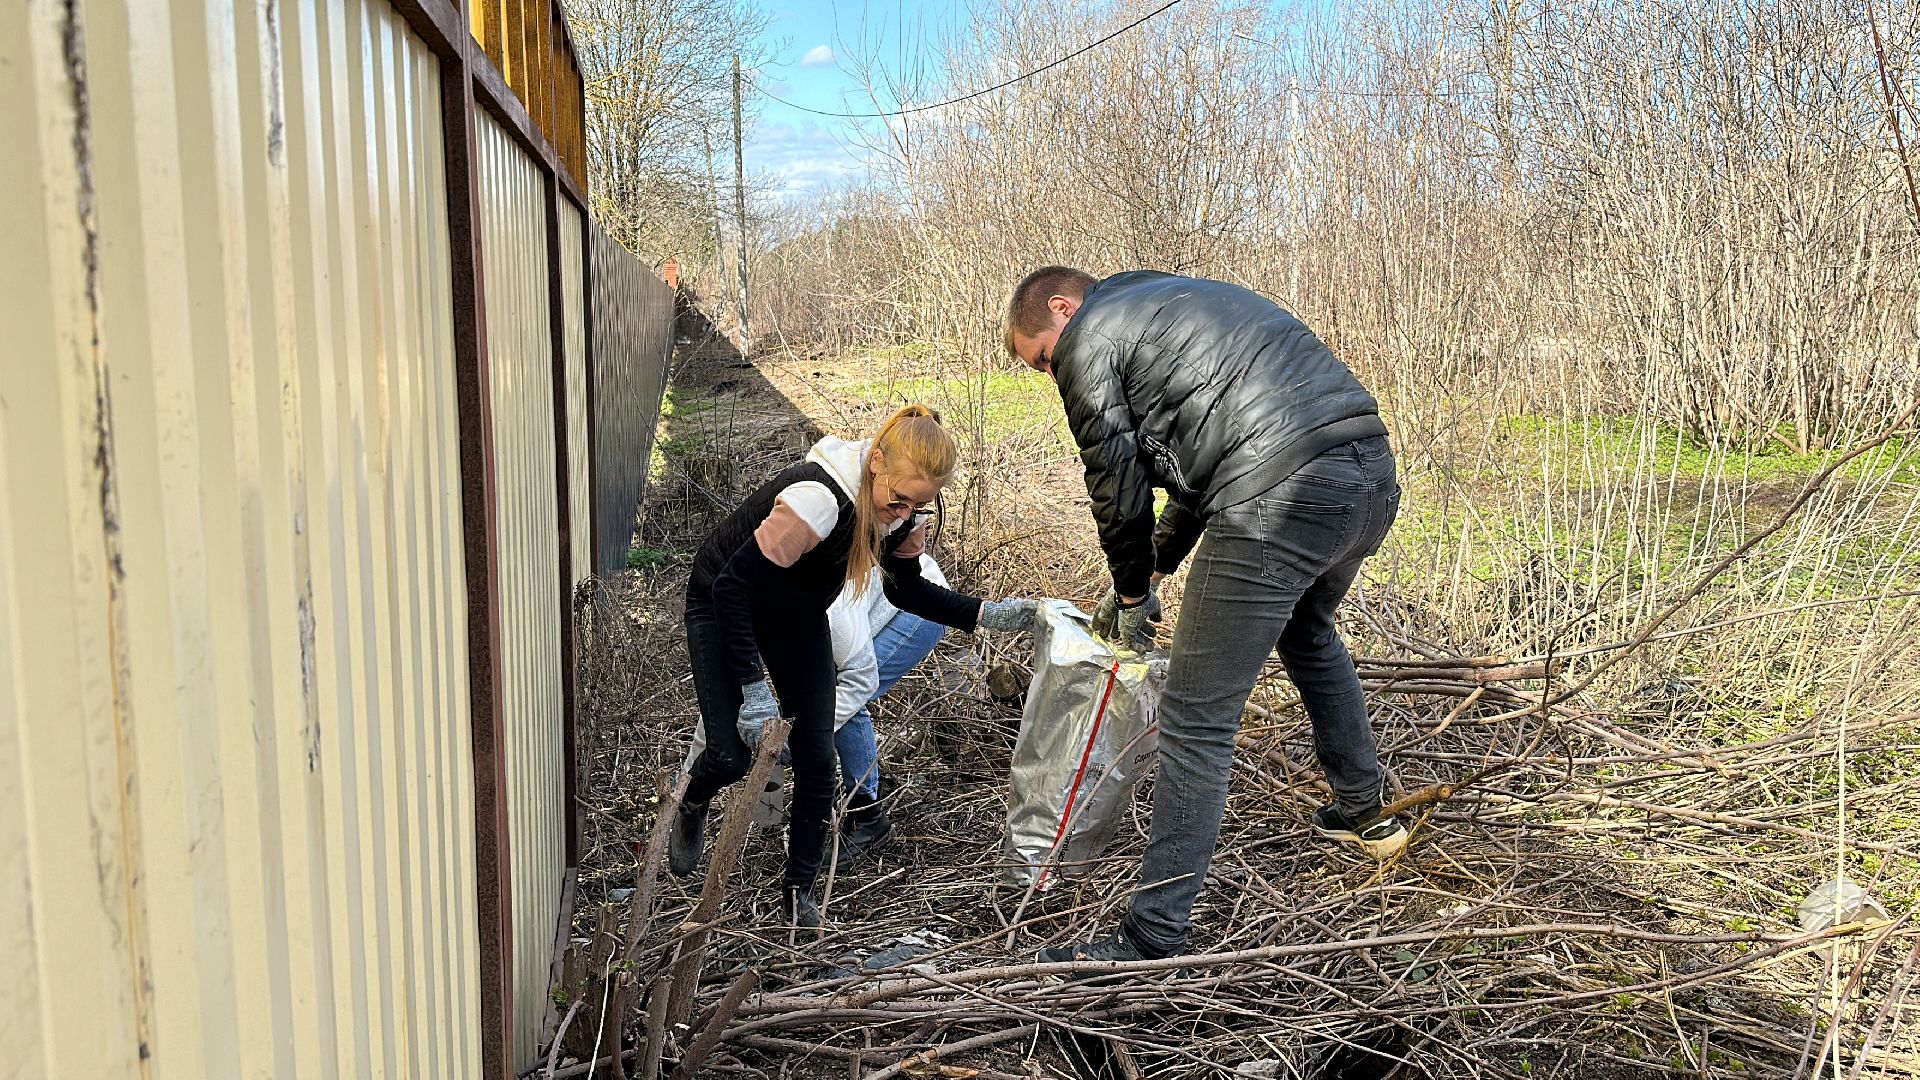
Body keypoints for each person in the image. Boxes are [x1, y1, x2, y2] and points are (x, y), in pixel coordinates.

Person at [1003, 268, 1405, 964]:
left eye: (1041, 357)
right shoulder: (1164, 305)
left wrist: (1131, 594)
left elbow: (1117, 483)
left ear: (1062, 310)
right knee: (1308, 633)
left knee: (1195, 718)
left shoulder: (1089, 338)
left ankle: (1153, 935)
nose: (1049, 373)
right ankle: (1365, 811)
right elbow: (1203, 473)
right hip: (1366, 476)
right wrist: (1154, 569)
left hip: (1280, 495)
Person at [671, 404, 1037, 931]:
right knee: (730, 757)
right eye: (900, 498)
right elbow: (732, 588)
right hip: (722, 601)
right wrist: (753, 688)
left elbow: (906, 590)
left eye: (918, 504)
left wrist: (985, 615)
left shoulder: (900, 517)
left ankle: (797, 894)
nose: (904, 512)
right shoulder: (818, 501)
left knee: (818, 761)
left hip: (795, 613)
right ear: (877, 462)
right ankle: (691, 802)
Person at [681, 548, 954, 870]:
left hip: (918, 607)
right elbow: (720, 707)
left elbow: (860, 682)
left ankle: (867, 816)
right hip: (851, 608)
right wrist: (688, 781)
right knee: (775, 714)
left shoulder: (832, 612)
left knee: (837, 703)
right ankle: (774, 816)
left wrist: (801, 737)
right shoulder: (740, 616)